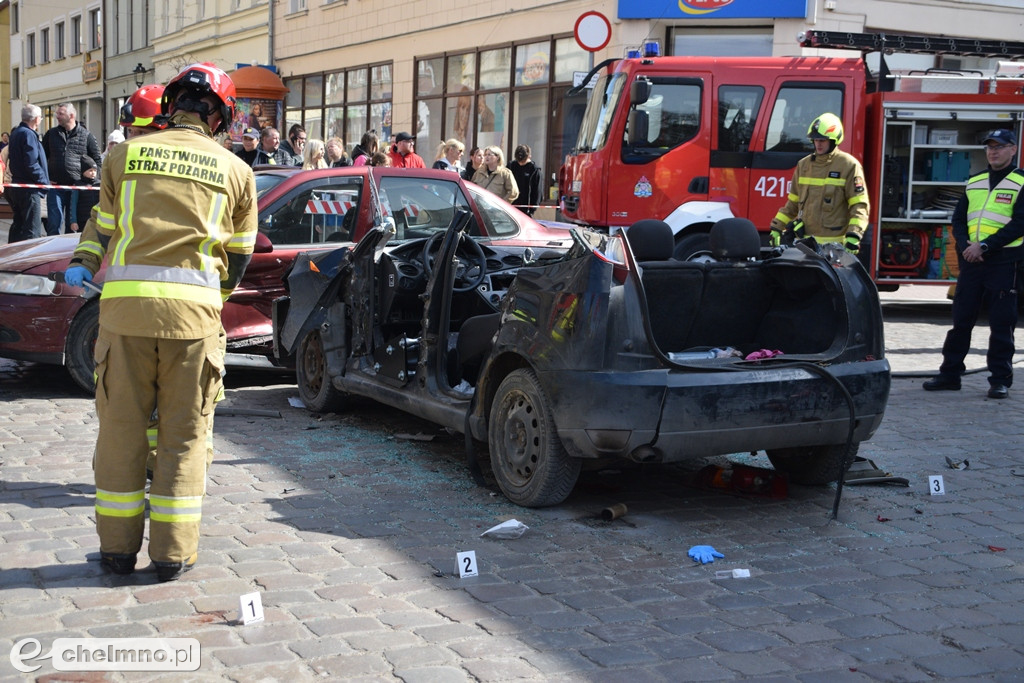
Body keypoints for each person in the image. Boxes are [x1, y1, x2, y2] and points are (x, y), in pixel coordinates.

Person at [64, 62, 258, 582]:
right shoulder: (237, 172)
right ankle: (172, 554)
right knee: (183, 437)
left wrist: (84, 260)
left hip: (124, 317)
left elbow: (100, 226)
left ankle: (116, 552)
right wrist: (209, 300)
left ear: (172, 107)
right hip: (192, 324)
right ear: (221, 117)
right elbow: (237, 258)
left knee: (122, 433)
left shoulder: (123, 153)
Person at [923, 129, 1024, 399]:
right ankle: (950, 374)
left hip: (1004, 261)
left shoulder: (1021, 182)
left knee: (1002, 324)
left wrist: (985, 246)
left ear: (1013, 149)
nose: (993, 151)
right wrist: (967, 246)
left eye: (1000, 147)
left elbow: (1020, 224)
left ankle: (999, 380)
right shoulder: (975, 181)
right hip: (972, 262)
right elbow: (958, 220)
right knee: (961, 320)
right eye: (990, 147)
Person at [769, 113, 869, 256]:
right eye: (815, 139)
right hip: (805, 246)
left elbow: (859, 206)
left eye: (823, 140)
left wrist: (854, 235)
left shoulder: (848, 165)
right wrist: (777, 227)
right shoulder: (804, 165)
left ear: (834, 140)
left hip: (835, 249)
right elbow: (793, 204)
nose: (818, 144)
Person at [42, 103, 103, 235]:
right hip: (56, 187)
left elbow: (97, 160)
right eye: (57, 113)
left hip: (77, 188)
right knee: (54, 222)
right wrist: (45, 178)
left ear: (71, 115)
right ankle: (53, 251)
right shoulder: (51, 134)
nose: (57, 116)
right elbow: (41, 158)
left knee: (73, 225)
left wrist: (93, 181)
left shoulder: (86, 135)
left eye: (60, 114)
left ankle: (69, 254)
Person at [6, 104, 49, 243]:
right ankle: (29, 260)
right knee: (32, 229)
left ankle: (11, 256)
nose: (41, 119)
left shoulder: (16, 133)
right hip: (29, 189)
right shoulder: (28, 134)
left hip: (17, 186)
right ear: (36, 119)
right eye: (41, 117)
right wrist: (43, 181)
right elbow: (31, 163)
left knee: (18, 225)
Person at [68, 156, 100, 233]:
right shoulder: (78, 185)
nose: (93, 173)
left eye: (95, 170)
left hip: (97, 219)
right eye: (90, 170)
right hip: (82, 220)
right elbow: (73, 204)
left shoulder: (100, 184)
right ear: (83, 172)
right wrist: (73, 221)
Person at [509, 144, 541, 216]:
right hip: (511, 206)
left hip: (526, 209)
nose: (520, 163)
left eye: (523, 161)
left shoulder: (534, 170)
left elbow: (537, 192)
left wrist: (532, 210)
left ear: (529, 156)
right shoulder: (511, 166)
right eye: (518, 161)